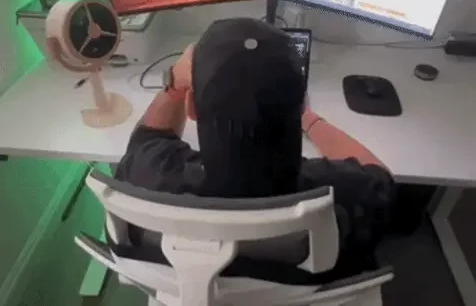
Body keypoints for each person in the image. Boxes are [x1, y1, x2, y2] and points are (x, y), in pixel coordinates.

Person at [116, 17, 396, 278]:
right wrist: (309, 120)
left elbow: (150, 135)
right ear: (299, 105)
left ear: (191, 108)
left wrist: (175, 83)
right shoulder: (339, 192)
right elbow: (380, 176)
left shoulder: (151, 174)